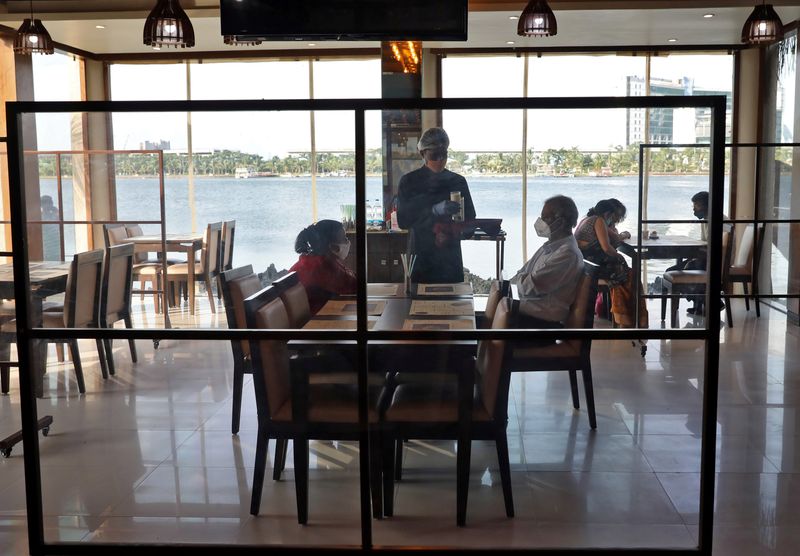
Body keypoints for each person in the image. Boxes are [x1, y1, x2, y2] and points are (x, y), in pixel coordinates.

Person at [397, 127, 476, 283]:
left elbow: (470, 220)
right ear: (423, 154)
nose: (440, 159)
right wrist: (433, 210)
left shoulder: (457, 181)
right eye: (434, 155)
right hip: (421, 257)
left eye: (444, 154)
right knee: (417, 305)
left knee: (452, 304)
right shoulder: (409, 182)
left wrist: (458, 228)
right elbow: (403, 220)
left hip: (450, 259)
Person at [510, 195, 584, 329]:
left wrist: (523, 279)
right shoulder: (549, 247)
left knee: (495, 312)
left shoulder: (567, 254)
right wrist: (522, 279)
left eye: (545, 218)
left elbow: (530, 286)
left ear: (560, 222)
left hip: (541, 322)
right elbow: (521, 274)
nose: (541, 222)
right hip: (530, 311)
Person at [574, 199, 648, 328]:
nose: (615, 219)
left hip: (586, 265)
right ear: (608, 213)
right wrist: (620, 257)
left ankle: (627, 318)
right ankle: (630, 319)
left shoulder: (588, 219)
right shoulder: (598, 221)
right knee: (630, 276)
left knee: (626, 274)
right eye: (614, 216)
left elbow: (611, 240)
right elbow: (606, 248)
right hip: (593, 268)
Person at [289, 219, 356, 314]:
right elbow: (353, 285)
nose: (347, 242)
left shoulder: (313, 259)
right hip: (315, 321)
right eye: (344, 239)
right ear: (332, 246)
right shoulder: (321, 266)